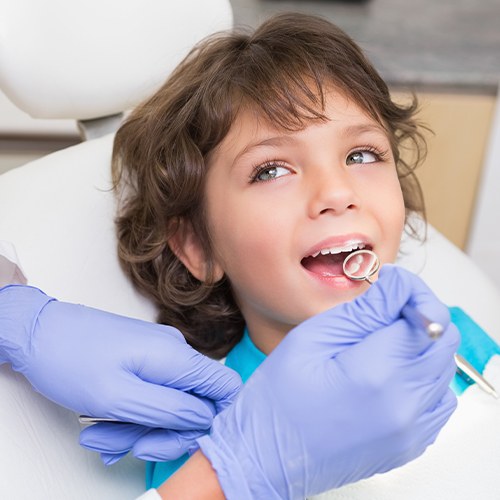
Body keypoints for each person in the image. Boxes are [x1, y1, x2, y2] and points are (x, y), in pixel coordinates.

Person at [0, 11, 467, 499]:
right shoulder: (213, 441)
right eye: (271, 170)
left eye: (362, 155)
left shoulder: (449, 334)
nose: (337, 191)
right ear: (198, 247)